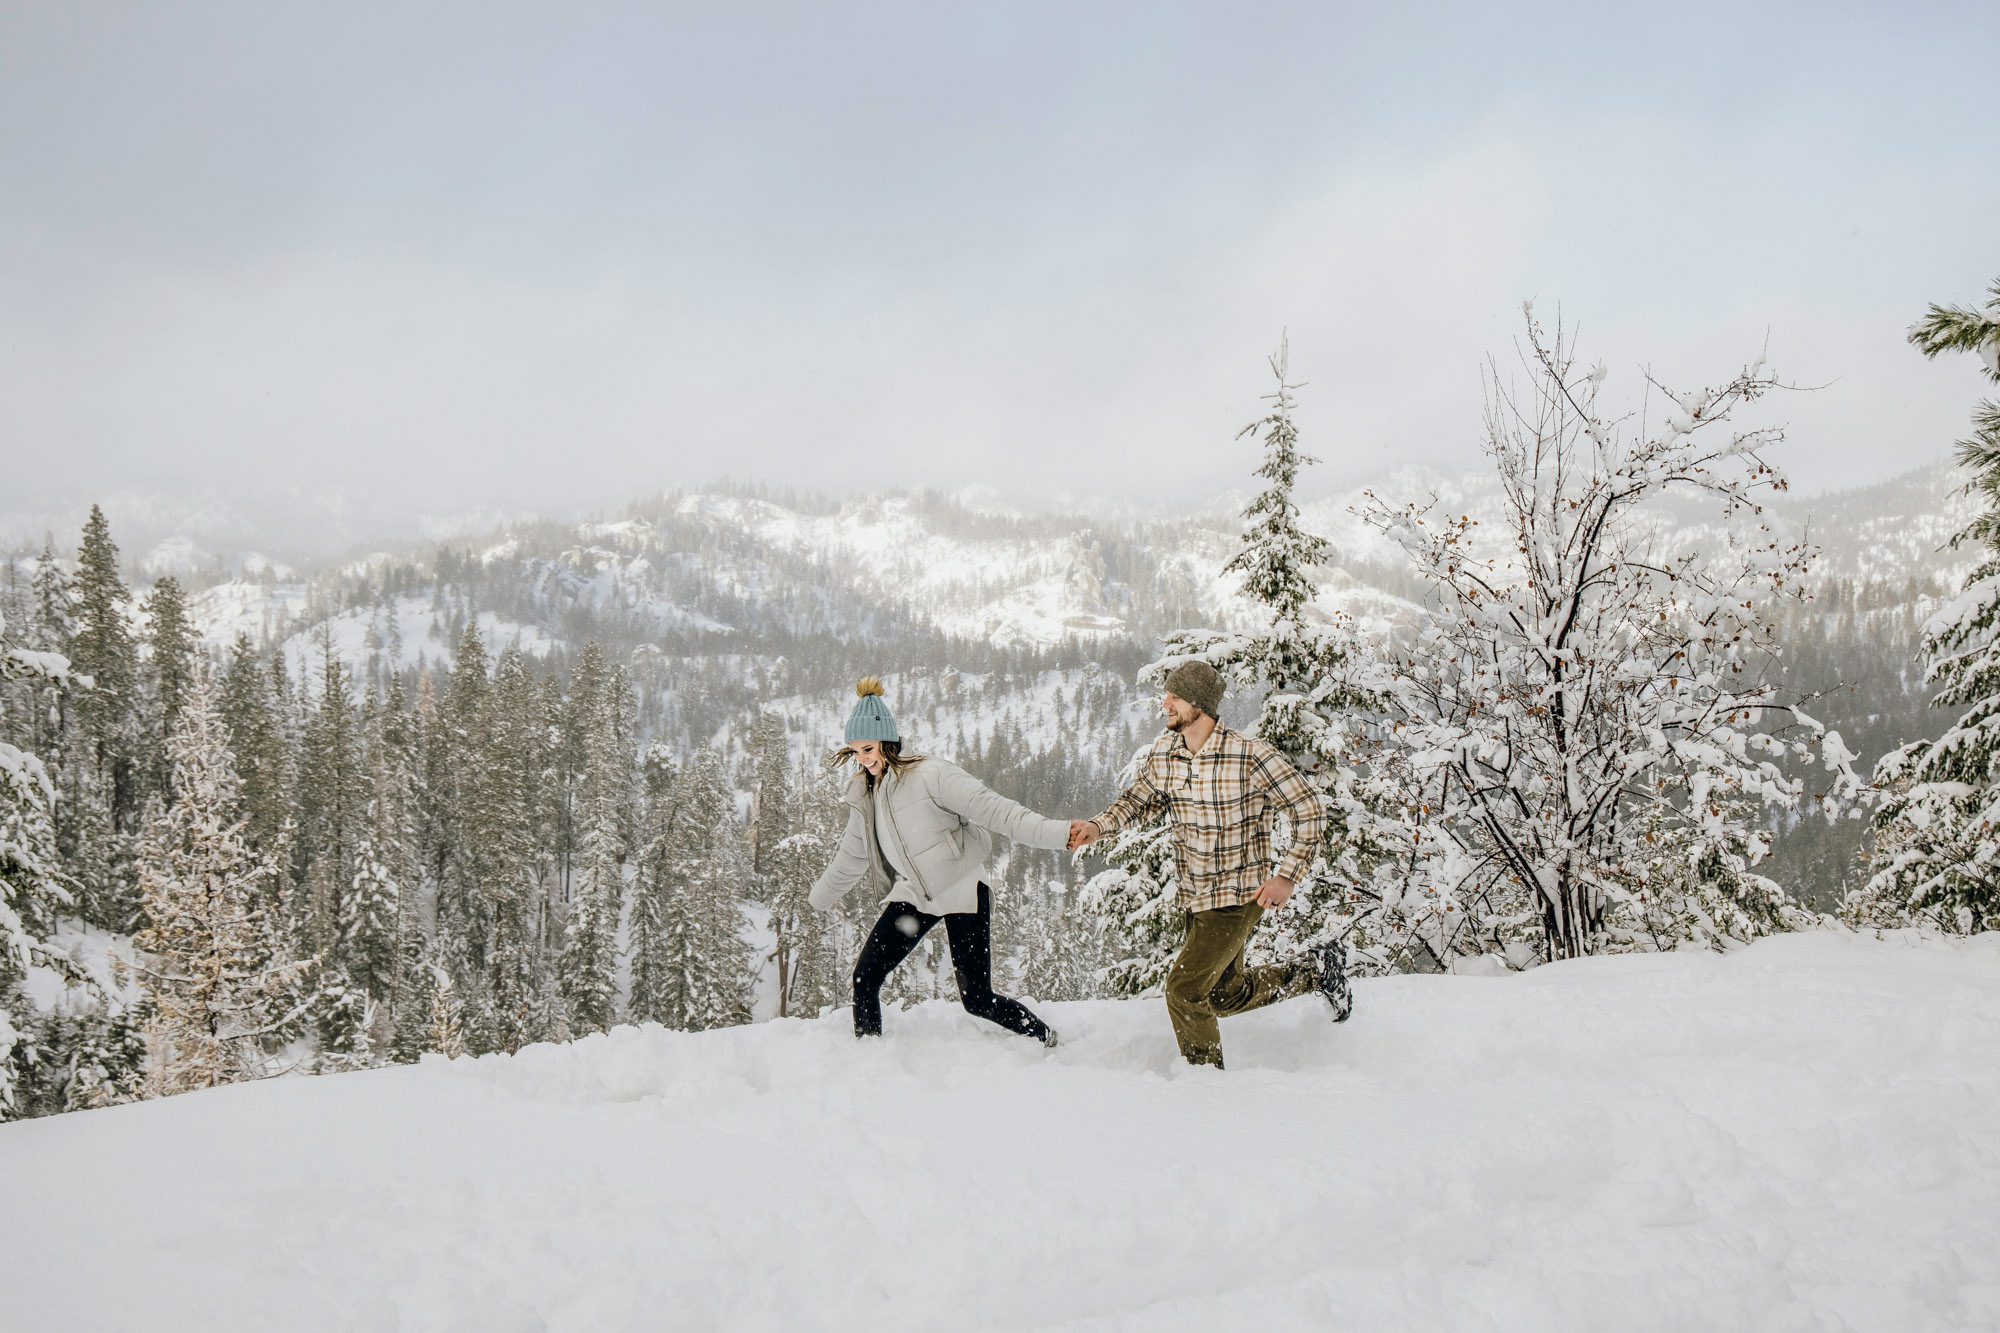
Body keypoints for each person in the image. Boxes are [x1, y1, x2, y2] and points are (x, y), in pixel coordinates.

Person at [1070, 659, 1351, 1069]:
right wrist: (1099, 826)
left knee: (1184, 990)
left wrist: (1287, 876)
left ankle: (1204, 1083)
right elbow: (1138, 801)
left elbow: (1309, 811)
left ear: (1199, 705)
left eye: (1176, 696)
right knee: (1223, 994)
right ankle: (1314, 970)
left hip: (1239, 896)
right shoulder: (1167, 752)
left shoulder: (1250, 756)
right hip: (1195, 893)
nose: (1164, 702)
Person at [809, 677, 1086, 1046]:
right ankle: (869, 1057)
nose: (863, 759)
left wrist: (1058, 833)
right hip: (914, 898)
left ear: (887, 742)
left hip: (961, 889)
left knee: (977, 999)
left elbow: (996, 811)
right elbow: (850, 859)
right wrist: (815, 900)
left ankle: (1044, 1035)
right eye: (855, 751)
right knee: (865, 978)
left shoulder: (931, 774)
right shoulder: (864, 797)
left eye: (868, 748)